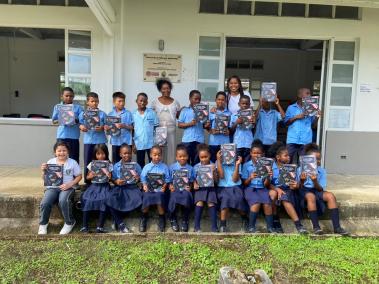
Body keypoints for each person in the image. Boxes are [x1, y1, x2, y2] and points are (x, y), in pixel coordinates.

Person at [297, 143, 349, 235]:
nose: (317, 161)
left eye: (319, 159)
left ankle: (337, 227)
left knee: (330, 196)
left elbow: (320, 188)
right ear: (308, 160)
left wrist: (315, 181)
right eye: (315, 159)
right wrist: (302, 180)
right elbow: (298, 187)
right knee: (310, 196)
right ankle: (316, 227)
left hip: (317, 189)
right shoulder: (300, 170)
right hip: (304, 191)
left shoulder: (322, 171)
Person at [38, 141, 82, 235]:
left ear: (68, 152)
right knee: (45, 202)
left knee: (63, 200)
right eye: (59, 151)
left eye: (64, 150)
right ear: (55, 152)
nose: (61, 153)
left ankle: (69, 222)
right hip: (52, 187)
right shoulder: (50, 162)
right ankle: (43, 224)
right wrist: (43, 171)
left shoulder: (72, 162)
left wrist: (70, 184)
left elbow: (79, 176)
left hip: (67, 188)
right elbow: (44, 178)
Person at [270, 142, 308, 234]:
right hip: (275, 189)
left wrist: (298, 184)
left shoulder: (291, 168)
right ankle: (275, 219)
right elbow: (267, 184)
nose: (288, 157)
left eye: (289, 156)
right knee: (280, 196)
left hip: (289, 190)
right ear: (278, 157)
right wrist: (277, 189)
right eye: (285, 156)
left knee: (285, 198)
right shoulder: (271, 167)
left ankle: (298, 225)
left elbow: (298, 185)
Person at [107, 144, 143, 233]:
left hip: (132, 188)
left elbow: (141, 178)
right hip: (120, 188)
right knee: (110, 198)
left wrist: (138, 179)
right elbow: (113, 179)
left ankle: (117, 219)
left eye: (129, 153)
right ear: (120, 154)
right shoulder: (116, 166)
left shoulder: (136, 165)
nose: (127, 155)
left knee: (137, 199)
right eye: (125, 153)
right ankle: (121, 224)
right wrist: (116, 181)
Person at [242, 139, 275, 233]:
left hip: (262, 188)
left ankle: (270, 227)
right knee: (255, 203)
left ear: (263, 154)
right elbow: (244, 183)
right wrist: (250, 177)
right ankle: (251, 227)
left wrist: (268, 176)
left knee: (267, 204)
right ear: (250, 153)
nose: (257, 155)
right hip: (250, 188)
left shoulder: (267, 166)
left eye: (259, 153)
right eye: (254, 153)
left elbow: (266, 185)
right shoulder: (246, 165)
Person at [80, 144, 113, 233]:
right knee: (87, 199)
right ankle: (84, 226)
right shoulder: (92, 164)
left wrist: (109, 176)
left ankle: (100, 226)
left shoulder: (109, 164)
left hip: (104, 186)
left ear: (106, 154)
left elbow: (111, 178)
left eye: (103, 154)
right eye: (98, 154)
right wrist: (90, 176)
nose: (101, 156)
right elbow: (87, 177)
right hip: (94, 186)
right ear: (95, 154)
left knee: (104, 200)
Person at [284, 88, 320, 163]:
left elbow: (313, 126)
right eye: (307, 93)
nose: (310, 95)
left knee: (304, 163)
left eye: (310, 93)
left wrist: (317, 117)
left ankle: (301, 175)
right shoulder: (291, 108)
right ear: (299, 95)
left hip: (305, 140)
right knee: (287, 162)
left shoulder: (312, 108)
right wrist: (296, 117)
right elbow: (286, 123)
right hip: (292, 139)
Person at [140, 146, 171, 232]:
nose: (157, 157)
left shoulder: (164, 167)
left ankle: (162, 218)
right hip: (149, 190)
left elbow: (167, 179)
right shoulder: (146, 167)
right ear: (150, 155)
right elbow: (143, 179)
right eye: (155, 155)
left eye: (159, 155)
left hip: (160, 190)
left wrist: (164, 186)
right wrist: (145, 186)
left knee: (159, 196)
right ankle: (143, 218)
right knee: (146, 196)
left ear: (161, 155)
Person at [79, 92, 107, 184]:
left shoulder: (102, 114)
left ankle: (103, 179)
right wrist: (81, 127)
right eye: (92, 101)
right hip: (88, 141)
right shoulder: (83, 113)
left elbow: (108, 125)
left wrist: (102, 127)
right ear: (88, 102)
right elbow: (79, 123)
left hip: (100, 140)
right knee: (88, 161)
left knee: (101, 160)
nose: (94, 103)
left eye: (96, 101)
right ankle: (88, 181)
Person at [151, 78, 181, 165]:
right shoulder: (155, 102)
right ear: (160, 90)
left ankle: (170, 170)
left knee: (171, 151)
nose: (166, 90)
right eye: (164, 88)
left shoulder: (176, 102)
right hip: (159, 130)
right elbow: (152, 117)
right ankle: (160, 170)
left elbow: (178, 116)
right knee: (159, 151)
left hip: (171, 129)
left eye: (168, 88)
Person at [217, 152, 248, 233]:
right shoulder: (218, 161)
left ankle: (244, 217)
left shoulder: (237, 162)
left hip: (235, 186)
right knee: (225, 198)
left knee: (238, 198)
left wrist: (237, 165)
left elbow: (235, 179)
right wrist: (219, 161)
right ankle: (223, 225)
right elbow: (221, 176)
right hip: (223, 186)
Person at [177, 90, 210, 166]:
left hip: (199, 140)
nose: (197, 101)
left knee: (198, 162)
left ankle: (196, 178)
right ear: (190, 98)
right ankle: (187, 178)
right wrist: (190, 124)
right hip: (187, 141)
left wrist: (207, 124)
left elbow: (205, 126)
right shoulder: (185, 111)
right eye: (195, 99)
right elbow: (179, 125)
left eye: (199, 99)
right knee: (186, 162)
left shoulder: (203, 111)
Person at [51, 87, 83, 163]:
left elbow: (82, 120)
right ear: (62, 96)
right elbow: (54, 121)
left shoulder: (78, 108)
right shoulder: (57, 107)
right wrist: (62, 119)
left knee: (74, 157)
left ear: (73, 96)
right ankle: (59, 174)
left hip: (74, 136)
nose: (69, 98)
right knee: (60, 157)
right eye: (66, 96)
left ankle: (75, 174)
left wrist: (74, 119)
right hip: (62, 136)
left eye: (71, 96)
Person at [168, 144, 194, 232]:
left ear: (187, 157)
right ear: (176, 157)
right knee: (173, 197)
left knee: (187, 196)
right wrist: (170, 186)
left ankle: (185, 219)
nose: (182, 158)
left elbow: (191, 180)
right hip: (175, 189)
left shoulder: (190, 168)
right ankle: (172, 218)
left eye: (184, 156)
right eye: (180, 156)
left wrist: (190, 187)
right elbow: (169, 180)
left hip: (185, 190)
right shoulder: (172, 168)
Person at [193, 144, 219, 232]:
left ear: (210, 155)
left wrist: (214, 171)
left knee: (211, 203)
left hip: (211, 188)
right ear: (199, 157)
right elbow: (193, 179)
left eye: (206, 157)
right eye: (202, 157)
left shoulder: (213, 165)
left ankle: (214, 227)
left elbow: (216, 181)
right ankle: (196, 227)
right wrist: (195, 184)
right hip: (200, 188)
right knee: (199, 203)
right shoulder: (196, 167)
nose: (204, 159)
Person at [132, 93, 159, 168]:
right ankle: (142, 178)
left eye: (144, 101)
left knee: (153, 161)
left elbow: (157, 128)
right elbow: (132, 130)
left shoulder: (152, 113)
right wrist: (133, 143)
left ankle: (153, 176)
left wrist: (157, 142)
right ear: (136, 101)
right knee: (140, 162)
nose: (142, 103)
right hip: (139, 143)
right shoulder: (133, 114)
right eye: (140, 101)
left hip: (151, 143)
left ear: (147, 102)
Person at [105, 92, 133, 164]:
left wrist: (124, 126)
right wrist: (107, 128)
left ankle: (127, 175)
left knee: (127, 162)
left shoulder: (128, 113)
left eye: (123, 101)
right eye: (119, 101)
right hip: (115, 141)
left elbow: (132, 127)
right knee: (116, 162)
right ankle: (116, 175)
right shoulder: (110, 114)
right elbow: (108, 129)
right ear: (114, 102)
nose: (122, 103)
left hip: (126, 142)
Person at [230, 95, 255, 163]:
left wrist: (253, 122)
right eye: (243, 103)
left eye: (247, 104)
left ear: (249, 104)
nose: (244, 105)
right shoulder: (234, 115)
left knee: (247, 163)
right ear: (239, 104)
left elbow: (253, 127)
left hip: (248, 143)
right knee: (237, 163)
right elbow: (231, 130)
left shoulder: (252, 116)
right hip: (238, 143)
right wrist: (236, 123)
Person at [208, 91, 232, 162]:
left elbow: (231, 127)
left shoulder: (229, 113)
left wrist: (229, 131)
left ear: (225, 101)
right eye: (219, 99)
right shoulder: (211, 112)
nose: (220, 101)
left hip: (225, 143)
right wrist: (211, 130)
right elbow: (206, 126)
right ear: (215, 100)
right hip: (213, 142)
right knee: (212, 162)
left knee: (224, 163)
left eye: (223, 100)